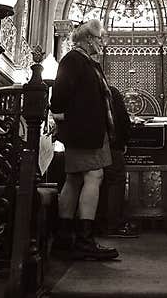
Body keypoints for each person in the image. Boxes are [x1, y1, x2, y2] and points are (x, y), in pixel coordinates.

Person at [50, 20, 119, 261]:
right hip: (83, 131)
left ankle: (64, 236)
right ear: (88, 39)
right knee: (94, 175)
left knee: (74, 178)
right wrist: (71, 120)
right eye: (100, 37)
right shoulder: (74, 59)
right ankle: (84, 239)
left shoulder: (88, 63)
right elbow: (58, 96)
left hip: (89, 131)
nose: (103, 42)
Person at [97, 84, 138, 238]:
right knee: (115, 180)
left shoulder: (84, 91)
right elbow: (122, 119)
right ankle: (113, 224)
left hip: (89, 146)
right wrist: (122, 141)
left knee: (96, 182)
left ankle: (95, 224)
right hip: (112, 145)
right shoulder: (110, 91)